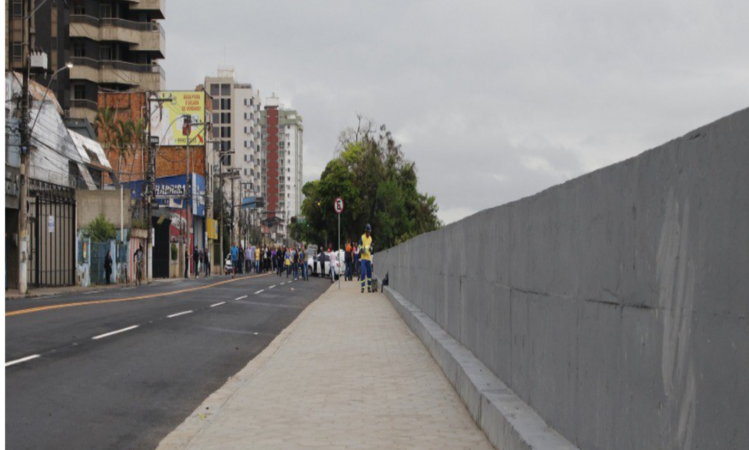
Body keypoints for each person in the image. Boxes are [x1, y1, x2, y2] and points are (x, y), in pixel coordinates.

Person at [360, 224, 373, 293]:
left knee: (369, 274)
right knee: (362, 273)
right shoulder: (362, 237)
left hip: (368, 258)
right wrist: (362, 249)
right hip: (363, 258)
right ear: (366, 231)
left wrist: (370, 248)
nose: (369, 233)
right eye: (368, 232)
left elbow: (372, 247)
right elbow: (359, 246)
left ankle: (369, 287)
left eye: (370, 232)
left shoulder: (370, 238)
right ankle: (362, 287)